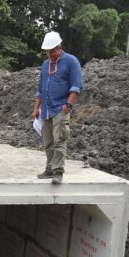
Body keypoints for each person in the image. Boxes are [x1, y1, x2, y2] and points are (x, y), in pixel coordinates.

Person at [32, 31, 83, 184]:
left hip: (61, 108)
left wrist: (68, 105)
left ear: (59, 47)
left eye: (52, 51)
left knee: (59, 140)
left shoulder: (71, 61)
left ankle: (58, 172)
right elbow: (40, 89)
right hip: (46, 109)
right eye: (47, 51)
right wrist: (36, 108)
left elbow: (76, 85)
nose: (49, 54)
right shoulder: (45, 64)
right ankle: (49, 168)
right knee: (48, 141)